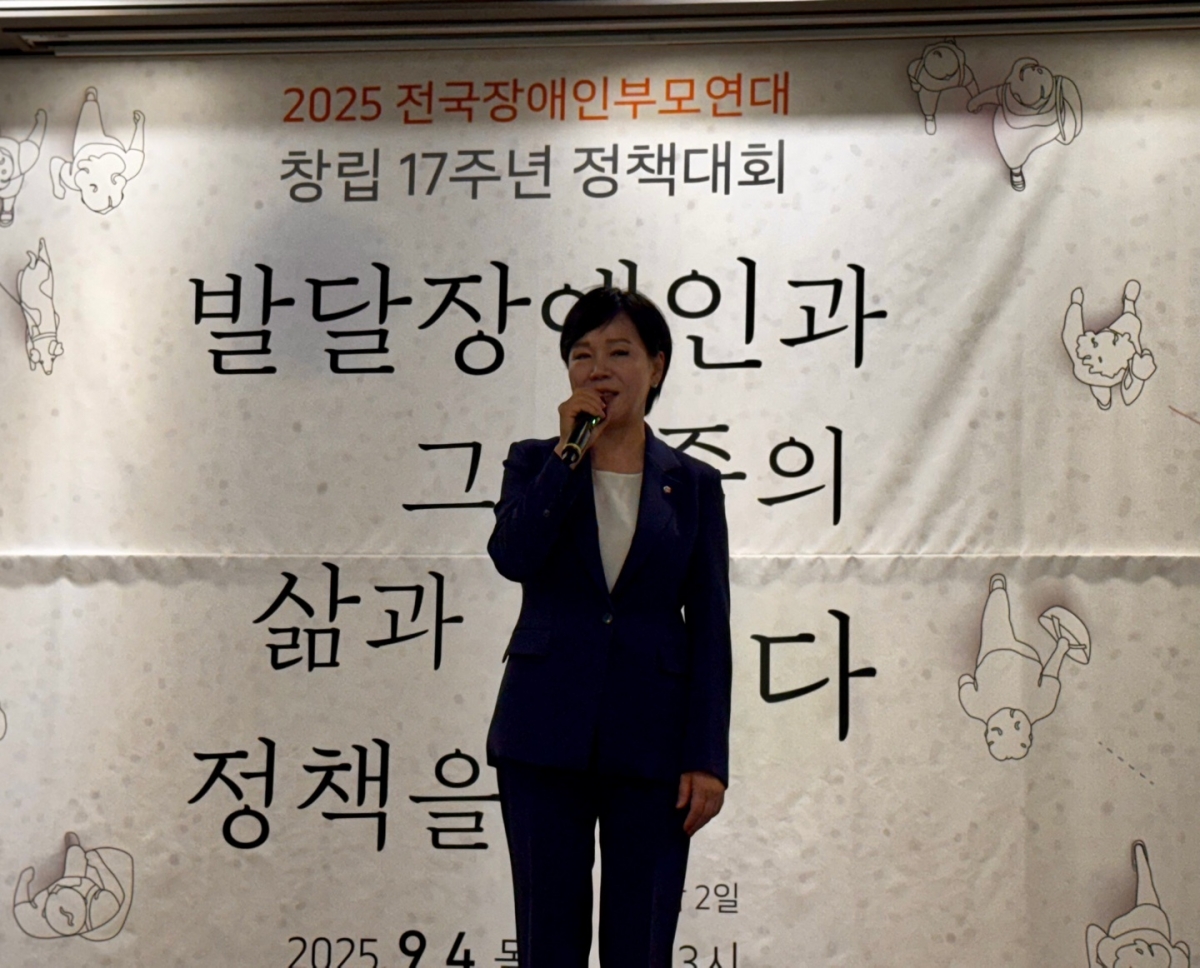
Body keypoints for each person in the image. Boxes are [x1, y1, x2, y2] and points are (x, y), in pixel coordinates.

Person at [486, 287, 732, 967]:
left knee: (641, 945)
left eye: (619, 352)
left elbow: (710, 624)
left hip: (654, 742)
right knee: (548, 943)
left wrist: (707, 756)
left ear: (656, 366)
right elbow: (513, 557)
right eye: (582, 354)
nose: (598, 368)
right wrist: (569, 455)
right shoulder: (536, 462)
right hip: (542, 734)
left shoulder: (694, 484)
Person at [958, 574, 1089, 760]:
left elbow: (965, 681)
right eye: (1018, 726)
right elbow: (1050, 673)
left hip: (995, 651)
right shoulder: (1042, 707)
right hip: (1027, 658)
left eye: (999, 729)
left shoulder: (976, 707)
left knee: (995, 622)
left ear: (987, 732)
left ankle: (998, 591)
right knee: (1013, 626)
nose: (1011, 719)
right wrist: (1061, 648)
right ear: (1030, 735)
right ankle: (1008, 594)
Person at [967, 56, 1082, 191]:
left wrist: (974, 103)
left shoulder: (1061, 86)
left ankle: (1015, 169)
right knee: (1012, 154)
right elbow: (990, 95)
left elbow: (1076, 109)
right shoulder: (1006, 93)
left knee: (1013, 151)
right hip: (1018, 130)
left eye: (1037, 69)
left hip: (1047, 127)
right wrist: (975, 102)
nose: (1037, 71)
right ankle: (1016, 171)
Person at [1087, 841, 1191, 968]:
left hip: (1149, 926)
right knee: (1147, 891)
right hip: (1128, 930)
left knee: (1147, 889)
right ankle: (1140, 857)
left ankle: (1141, 857)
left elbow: (1182, 949)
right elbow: (1093, 932)